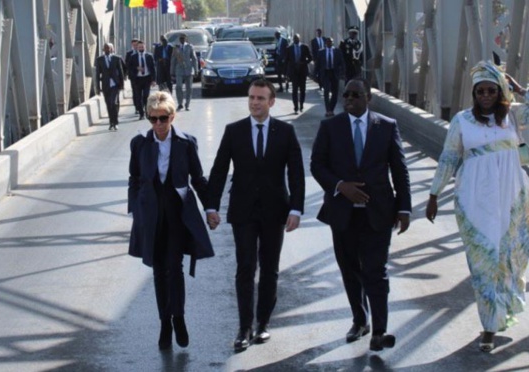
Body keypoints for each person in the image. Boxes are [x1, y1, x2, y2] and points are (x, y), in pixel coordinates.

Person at [425, 60, 529, 352]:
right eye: (480, 91)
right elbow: (448, 158)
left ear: (500, 91)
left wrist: (519, 90)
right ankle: (488, 327)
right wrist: (434, 194)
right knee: (484, 263)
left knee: (509, 261)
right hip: (475, 201)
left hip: (512, 200)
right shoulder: (461, 120)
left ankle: (502, 313)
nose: (485, 95)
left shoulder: (514, 117)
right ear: (473, 94)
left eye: (492, 90)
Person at [310, 78, 411, 352]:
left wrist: (404, 208)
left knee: (376, 272)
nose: (349, 99)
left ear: (369, 98)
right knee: (350, 270)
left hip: (378, 212)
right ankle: (360, 319)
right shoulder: (330, 127)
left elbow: (399, 169)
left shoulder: (386, 127)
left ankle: (380, 331)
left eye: (356, 95)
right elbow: (317, 165)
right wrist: (340, 186)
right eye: (346, 95)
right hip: (342, 213)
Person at [206, 79, 305, 352]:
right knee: (245, 267)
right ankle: (244, 327)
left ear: (271, 102)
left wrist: (296, 209)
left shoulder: (285, 132)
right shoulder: (234, 131)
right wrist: (211, 206)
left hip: (275, 211)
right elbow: (218, 170)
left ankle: (263, 324)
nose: (254, 102)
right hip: (243, 210)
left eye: (260, 98)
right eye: (251, 97)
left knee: (270, 269)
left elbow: (296, 174)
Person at [128, 91, 214, 350]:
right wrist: (135, 209)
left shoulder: (186, 143)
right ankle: (164, 322)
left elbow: (197, 178)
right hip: (152, 213)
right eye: (152, 119)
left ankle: (179, 317)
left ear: (172, 117)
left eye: (163, 118)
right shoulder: (140, 143)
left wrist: (210, 208)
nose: (158, 124)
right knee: (157, 270)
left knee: (174, 267)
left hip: (177, 212)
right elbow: (134, 178)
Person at [94, 43, 125, 131]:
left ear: (112, 49)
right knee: (108, 104)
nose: (108, 50)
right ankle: (111, 122)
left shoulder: (116, 58)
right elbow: (97, 74)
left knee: (113, 103)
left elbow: (121, 71)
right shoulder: (99, 59)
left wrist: (122, 84)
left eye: (109, 48)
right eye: (106, 48)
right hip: (105, 85)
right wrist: (97, 87)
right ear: (104, 49)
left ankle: (115, 122)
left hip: (115, 84)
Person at [315, 36, 344, 117]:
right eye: (328, 42)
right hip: (326, 73)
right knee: (326, 91)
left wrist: (342, 73)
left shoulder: (337, 51)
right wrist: (316, 74)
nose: (329, 43)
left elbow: (342, 63)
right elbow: (318, 64)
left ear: (333, 43)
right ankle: (328, 110)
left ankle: (331, 109)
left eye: (330, 42)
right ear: (325, 43)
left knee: (335, 93)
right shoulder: (321, 52)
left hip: (334, 73)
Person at [127, 40, 156, 120]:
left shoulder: (149, 56)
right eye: (139, 47)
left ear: (145, 47)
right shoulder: (133, 57)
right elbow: (129, 68)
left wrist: (153, 80)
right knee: (138, 97)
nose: (141, 48)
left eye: (142, 47)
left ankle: (147, 112)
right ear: (137, 48)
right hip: (137, 79)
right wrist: (137, 68)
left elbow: (153, 68)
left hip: (147, 78)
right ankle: (141, 113)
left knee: (146, 96)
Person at [285, 34, 312, 114]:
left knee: (303, 90)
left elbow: (310, 58)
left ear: (299, 39)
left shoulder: (304, 47)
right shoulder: (289, 48)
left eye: (297, 38)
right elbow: (287, 61)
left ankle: (301, 105)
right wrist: (286, 73)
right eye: (294, 38)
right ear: (293, 39)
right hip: (294, 72)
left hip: (302, 71)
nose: (296, 40)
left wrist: (303, 63)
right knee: (294, 90)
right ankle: (296, 107)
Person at [171, 33, 199, 111]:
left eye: (183, 38)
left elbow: (194, 59)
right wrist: (172, 72)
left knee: (189, 88)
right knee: (178, 86)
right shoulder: (176, 48)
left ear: (186, 39)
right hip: (179, 70)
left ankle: (187, 104)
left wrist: (196, 70)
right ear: (179, 39)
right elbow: (173, 60)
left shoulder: (189, 47)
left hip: (188, 70)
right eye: (180, 38)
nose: (182, 39)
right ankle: (180, 103)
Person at [125, 39, 139, 115]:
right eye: (133, 45)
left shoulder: (142, 52)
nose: (135, 46)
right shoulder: (129, 54)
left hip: (142, 76)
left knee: (141, 92)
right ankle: (137, 107)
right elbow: (127, 65)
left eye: (136, 45)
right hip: (133, 76)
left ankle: (142, 105)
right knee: (135, 92)